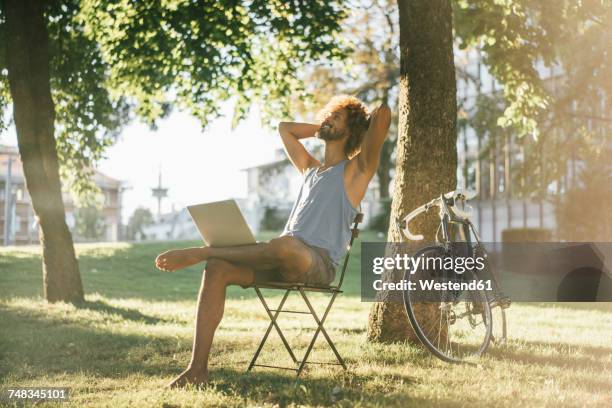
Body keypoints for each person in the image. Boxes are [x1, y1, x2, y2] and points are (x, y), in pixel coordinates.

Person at [155, 95, 391, 387]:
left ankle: (201, 252)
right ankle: (197, 370)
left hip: (317, 264)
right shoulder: (310, 170)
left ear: (352, 130)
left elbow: (382, 117)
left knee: (285, 245)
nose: (327, 119)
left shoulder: (357, 171)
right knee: (218, 268)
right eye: (328, 115)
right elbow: (284, 129)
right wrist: (323, 127)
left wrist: (363, 118)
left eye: (336, 118)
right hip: (281, 258)